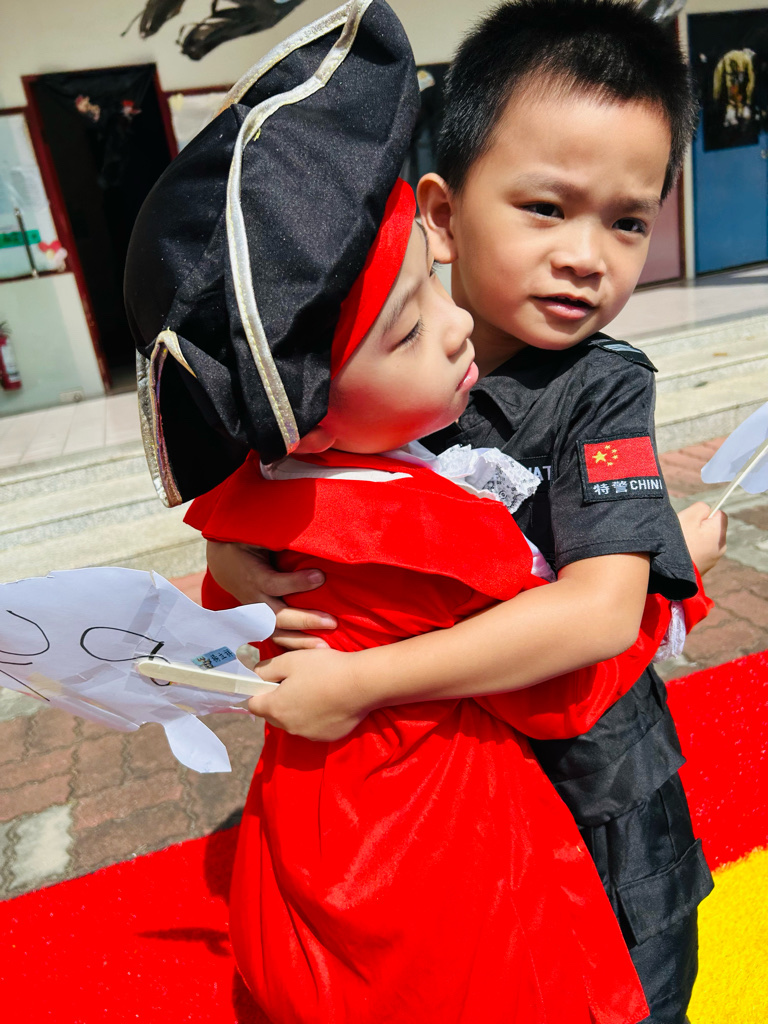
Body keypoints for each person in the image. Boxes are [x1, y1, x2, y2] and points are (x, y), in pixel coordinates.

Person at [125, 3, 715, 1021]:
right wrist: (234, 550)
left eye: (627, 221)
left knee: (628, 989)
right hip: (444, 824)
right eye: (546, 207)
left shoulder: (602, 388)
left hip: (593, 794)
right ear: (439, 213)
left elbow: (601, 612)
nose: (588, 256)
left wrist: (361, 682)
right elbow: (293, 500)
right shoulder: (369, 362)